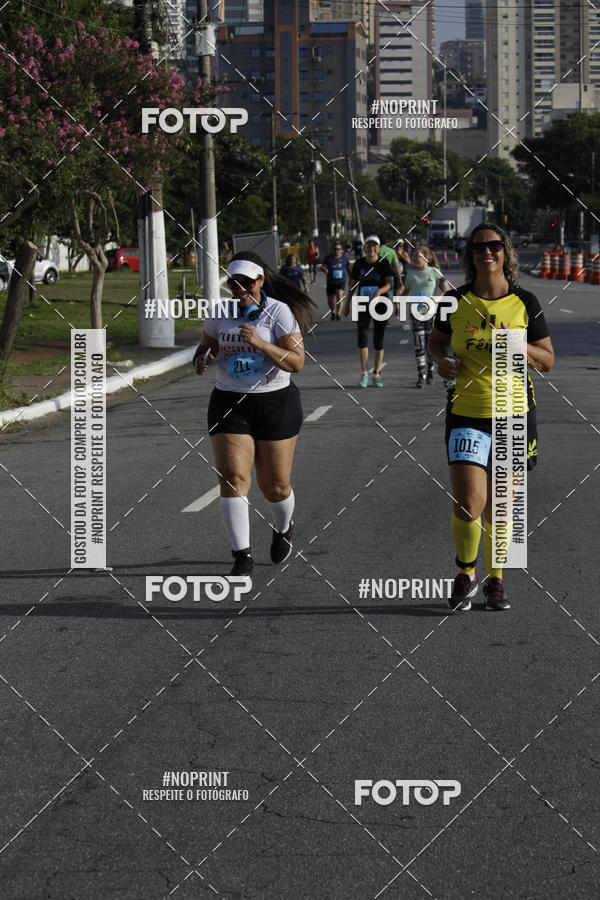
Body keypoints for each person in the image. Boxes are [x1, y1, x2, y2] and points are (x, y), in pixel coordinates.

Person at [427, 223, 554, 612]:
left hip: (513, 414)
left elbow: (547, 361)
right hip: (467, 412)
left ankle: (495, 579)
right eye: (480, 247)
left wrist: (518, 345)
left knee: (501, 504)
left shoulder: (525, 302)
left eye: (495, 245)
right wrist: (441, 361)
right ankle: (466, 573)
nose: (488, 252)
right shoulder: (455, 301)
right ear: (471, 255)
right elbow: (436, 341)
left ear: (505, 252)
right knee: (469, 501)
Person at [194, 250, 317, 576]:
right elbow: (208, 344)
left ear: (261, 280)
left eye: (247, 282)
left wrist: (262, 344)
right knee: (233, 479)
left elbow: (297, 363)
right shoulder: (221, 311)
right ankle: (242, 556)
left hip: (275, 402)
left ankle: (284, 527)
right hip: (229, 402)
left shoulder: (279, 313)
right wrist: (203, 356)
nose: (241, 288)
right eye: (235, 283)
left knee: (274, 486)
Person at [344, 235, 392, 387]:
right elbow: (352, 285)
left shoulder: (383, 263)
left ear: (378, 248)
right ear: (364, 248)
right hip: (362, 303)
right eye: (368, 245)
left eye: (374, 245)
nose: (371, 248)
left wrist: (378, 292)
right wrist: (346, 304)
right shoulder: (359, 263)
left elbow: (389, 284)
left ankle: (377, 372)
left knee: (379, 338)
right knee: (362, 336)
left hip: (380, 304)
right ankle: (364, 372)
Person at [402, 245, 447, 388]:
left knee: (430, 345)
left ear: (426, 258)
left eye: (418, 256)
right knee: (418, 346)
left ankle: (430, 370)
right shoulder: (410, 274)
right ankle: (421, 375)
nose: (415, 259)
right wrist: (399, 305)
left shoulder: (434, 272)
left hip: (432, 314)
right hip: (415, 315)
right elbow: (405, 292)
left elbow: (446, 290)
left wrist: (434, 299)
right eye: (413, 256)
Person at [321, 241, 351, 321]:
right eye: (335, 249)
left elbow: (348, 269)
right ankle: (333, 311)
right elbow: (322, 267)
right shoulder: (328, 258)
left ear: (341, 250)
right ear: (332, 249)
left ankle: (338, 314)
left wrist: (351, 278)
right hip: (331, 281)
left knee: (339, 295)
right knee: (330, 299)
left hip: (341, 281)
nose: (336, 251)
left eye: (338, 249)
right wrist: (324, 269)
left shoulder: (344, 258)